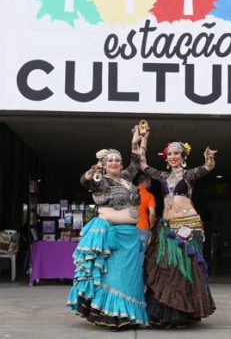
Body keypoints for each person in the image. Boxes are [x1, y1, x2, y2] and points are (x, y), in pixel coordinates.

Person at [67, 126, 149, 329]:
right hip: (112, 236)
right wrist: (89, 174)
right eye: (110, 160)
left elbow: (136, 162)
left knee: (131, 278)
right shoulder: (101, 180)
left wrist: (136, 139)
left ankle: (130, 316)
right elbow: (87, 182)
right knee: (115, 276)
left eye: (117, 160)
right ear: (103, 164)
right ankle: (113, 316)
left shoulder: (127, 178)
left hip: (131, 236)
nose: (114, 163)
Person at [140, 132, 217, 327]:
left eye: (177, 153)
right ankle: (165, 313)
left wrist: (209, 157)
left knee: (185, 270)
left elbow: (207, 167)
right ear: (166, 158)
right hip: (167, 226)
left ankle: (183, 314)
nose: (173, 156)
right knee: (167, 269)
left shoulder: (188, 175)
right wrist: (143, 140)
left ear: (183, 157)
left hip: (188, 225)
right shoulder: (163, 176)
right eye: (170, 154)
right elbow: (142, 165)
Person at [136, 174, 156, 258]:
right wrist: (151, 226)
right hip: (143, 228)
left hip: (128, 227)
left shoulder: (129, 191)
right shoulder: (149, 195)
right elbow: (152, 213)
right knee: (140, 255)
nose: (150, 185)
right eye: (150, 182)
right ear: (146, 182)